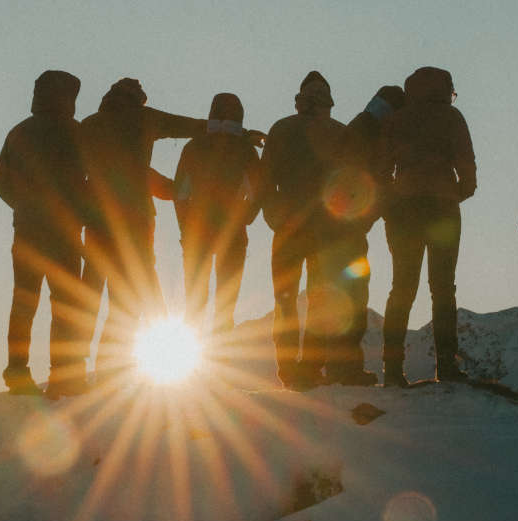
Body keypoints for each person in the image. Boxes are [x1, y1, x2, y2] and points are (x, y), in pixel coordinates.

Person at [77, 78, 208, 384]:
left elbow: (101, 172)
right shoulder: (145, 118)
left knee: (89, 295)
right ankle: (112, 369)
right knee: (131, 297)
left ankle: (69, 371)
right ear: (139, 99)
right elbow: (189, 126)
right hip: (136, 221)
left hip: (97, 220)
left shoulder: (89, 125)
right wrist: (232, 129)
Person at [0, 70, 88, 396]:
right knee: (66, 305)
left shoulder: (19, 132)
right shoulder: (76, 132)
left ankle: (17, 372)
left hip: (28, 231)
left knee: (24, 302)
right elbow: (93, 183)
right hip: (65, 234)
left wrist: (22, 207)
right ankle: (63, 376)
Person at [380, 66, 476, 387]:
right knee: (443, 287)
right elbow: (467, 169)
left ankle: (393, 371)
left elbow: (381, 166)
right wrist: (454, 192)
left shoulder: (398, 118)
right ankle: (446, 367)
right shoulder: (452, 118)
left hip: (404, 209)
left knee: (402, 287)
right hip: (443, 209)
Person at [312, 85, 407, 386]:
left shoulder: (360, 126)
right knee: (351, 297)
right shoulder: (368, 133)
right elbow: (364, 182)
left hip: (335, 228)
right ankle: (344, 369)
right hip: (344, 230)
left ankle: (330, 367)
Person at [261, 71, 345, 390]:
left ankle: (287, 371)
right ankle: (310, 367)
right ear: (328, 101)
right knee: (320, 299)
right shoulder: (339, 132)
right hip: (326, 229)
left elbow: (265, 180)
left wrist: (273, 216)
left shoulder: (281, 129)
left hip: (287, 227)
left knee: (284, 301)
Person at [172, 93, 263, 337]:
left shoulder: (193, 147)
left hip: (196, 233)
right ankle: (222, 359)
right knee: (226, 304)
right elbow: (258, 193)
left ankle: (193, 368)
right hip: (233, 234)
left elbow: (179, 194)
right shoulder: (246, 150)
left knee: (194, 302)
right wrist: (245, 219)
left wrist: (184, 228)